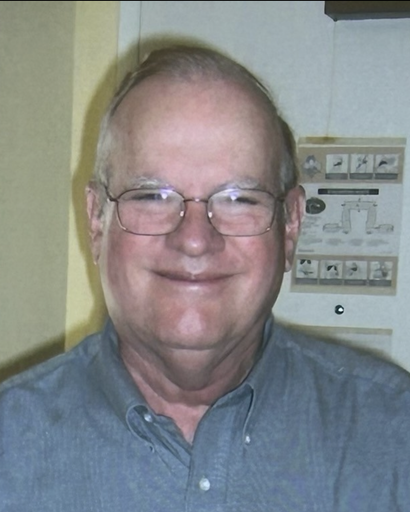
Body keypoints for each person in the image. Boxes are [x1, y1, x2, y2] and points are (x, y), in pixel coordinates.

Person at [0, 44, 409, 511]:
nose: (194, 239)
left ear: (291, 226)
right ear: (97, 220)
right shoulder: (9, 447)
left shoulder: (394, 436)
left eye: (239, 199)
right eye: (152, 196)